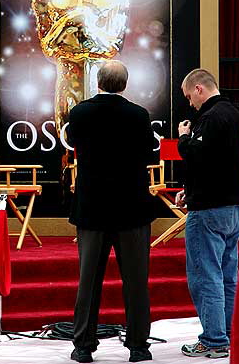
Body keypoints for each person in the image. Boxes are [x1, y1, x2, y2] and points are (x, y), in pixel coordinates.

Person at [67, 60, 156, 363]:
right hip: (132, 208)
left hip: (92, 207)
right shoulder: (139, 115)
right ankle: (139, 347)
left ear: (98, 82)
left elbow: (76, 146)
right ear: (125, 84)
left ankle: (82, 346)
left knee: (88, 280)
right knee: (136, 281)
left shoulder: (80, 113)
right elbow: (147, 154)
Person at [32, 0, 129, 142]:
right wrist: (69, 21)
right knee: (67, 143)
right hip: (66, 79)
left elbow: (115, 45)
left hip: (101, 80)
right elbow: (47, 47)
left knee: (103, 145)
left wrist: (87, 26)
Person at [176, 68, 239, 358]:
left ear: (198, 90)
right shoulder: (236, 115)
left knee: (206, 277)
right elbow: (216, 164)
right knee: (228, 276)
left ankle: (214, 339)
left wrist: (183, 138)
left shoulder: (209, 118)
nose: (190, 104)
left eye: (188, 97)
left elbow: (196, 157)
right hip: (233, 208)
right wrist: (189, 189)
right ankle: (229, 334)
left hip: (208, 210)